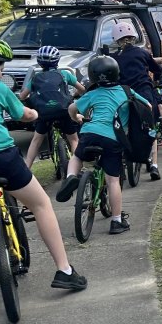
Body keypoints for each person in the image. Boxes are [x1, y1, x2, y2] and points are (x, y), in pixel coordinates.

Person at [0, 35, 87, 322]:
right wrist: (34, 113)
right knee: (41, 205)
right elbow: (23, 113)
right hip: (2, 159)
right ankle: (64, 270)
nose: (1, 73)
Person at [55, 56, 151, 234]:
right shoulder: (126, 91)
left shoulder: (92, 93)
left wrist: (76, 118)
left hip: (89, 133)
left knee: (77, 156)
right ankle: (116, 221)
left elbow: (71, 109)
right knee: (113, 180)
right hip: (113, 138)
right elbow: (147, 106)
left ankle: (70, 178)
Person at [110, 22, 162, 180]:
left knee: (123, 126)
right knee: (151, 128)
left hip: (124, 95)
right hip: (144, 94)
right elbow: (157, 69)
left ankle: (121, 163)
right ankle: (154, 165)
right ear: (133, 37)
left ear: (116, 39)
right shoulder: (143, 53)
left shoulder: (114, 58)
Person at [19, 45, 85, 168]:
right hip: (64, 111)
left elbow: (23, 96)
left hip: (44, 113)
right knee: (74, 140)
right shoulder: (65, 74)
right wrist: (76, 95)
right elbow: (82, 89)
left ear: (39, 62)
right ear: (57, 60)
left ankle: (27, 168)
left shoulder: (35, 78)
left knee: (36, 141)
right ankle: (77, 168)